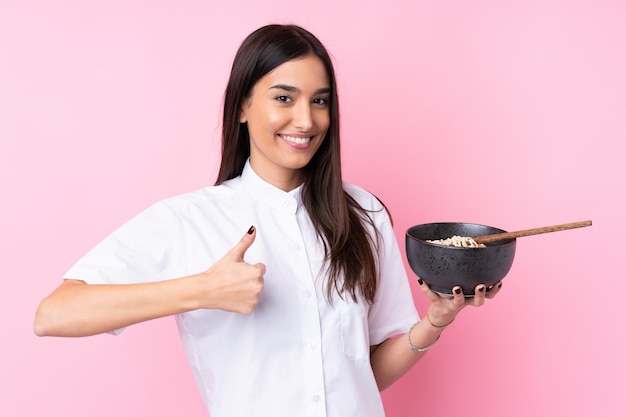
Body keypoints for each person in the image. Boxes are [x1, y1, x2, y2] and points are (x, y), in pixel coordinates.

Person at [34, 24, 501, 416]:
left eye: (320, 101)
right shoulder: (191, 219)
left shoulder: (363, 213)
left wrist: (436, 321)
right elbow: (54, 314)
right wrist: (200, 290)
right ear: (242, 105)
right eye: (284, 97)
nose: (306, 120)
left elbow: (363, 374)